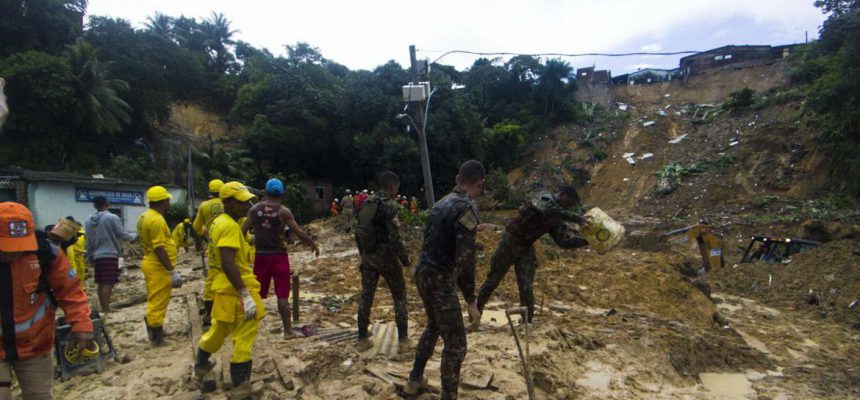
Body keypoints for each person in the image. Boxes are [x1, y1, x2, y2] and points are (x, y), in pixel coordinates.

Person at [406, 160, 485, 399]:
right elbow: (465, 260)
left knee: (433, 325)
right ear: (479, 183)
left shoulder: (440, 204)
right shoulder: (467, 208)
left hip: (424, 274)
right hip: (440, 279)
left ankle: (415, 379)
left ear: (457, 178)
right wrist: (471, 302)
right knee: (456, 344)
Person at [0, 202, 95, 400]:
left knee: (39, 396)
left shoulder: (46, 254)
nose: (13, 253)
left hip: (35, 345)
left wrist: (81, 323)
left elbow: (70, 290)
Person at [476, 186, 589, 323]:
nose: (568, 207)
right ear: (562, 195)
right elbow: (547, 209)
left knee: (526, 286)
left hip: (526, 247)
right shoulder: (544, 198)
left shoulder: (558, 218)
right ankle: (475, 313)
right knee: (493, 280)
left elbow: (563, 242)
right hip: (510, 242)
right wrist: (577, 218)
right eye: (569, 203)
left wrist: (587, 241)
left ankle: (527, 322)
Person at [195, 182, 264, 399]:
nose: (247, 206)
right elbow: (228, 262)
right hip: (236, 286)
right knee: (245, 332)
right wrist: (245, 295)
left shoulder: (218, 222)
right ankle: (241, 386)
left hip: (223, 287)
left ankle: (202, 362)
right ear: (227, 202)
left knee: (220, 328)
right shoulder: (230, 227)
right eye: (241, 202)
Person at [243, 179, 320, 339]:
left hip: (261, 256)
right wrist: (313, 244)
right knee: (282, 296)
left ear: (265, 191)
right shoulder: (284, 211)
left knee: (254, 293)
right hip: (279, 256)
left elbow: (242, 231)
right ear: (282, 193)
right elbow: (298, 232)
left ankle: (243, 329)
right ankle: (288, 331)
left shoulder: (255, 209)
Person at [354, 172, 411, 347]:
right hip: (386, 258)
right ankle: (403, 337)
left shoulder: (366, 202)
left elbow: (359, 231)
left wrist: (363, 253)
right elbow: (394, 239)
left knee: (367, 295)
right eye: (397, 188)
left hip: (368, 256)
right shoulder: (389, 206)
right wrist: (405, 260)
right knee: (399, 295)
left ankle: (362, 336)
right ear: (393, 186)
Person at [137, 186, 181, 346]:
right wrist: (171, 270)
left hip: (150, 262)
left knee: (155, 297)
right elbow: (159, 247)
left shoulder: (145, 216)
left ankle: (156, 327)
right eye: (168, 201)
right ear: (164, 201)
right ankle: (156, 334)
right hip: (157, 265)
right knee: (158, 300)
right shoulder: (155, 220)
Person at [85, 196, 137, 314]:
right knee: (109, 282)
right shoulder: (112, 217)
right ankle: (107, 309)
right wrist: (135, 237)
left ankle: (104, 307)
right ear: (107, 203)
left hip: (97, 255)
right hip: (109, 254)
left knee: (101, 283)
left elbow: (88, 239)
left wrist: (89, 255)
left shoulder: (89, 220)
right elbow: (121, 234)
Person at [193, 179, 225, 328]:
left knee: (212, 279)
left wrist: (206, 236)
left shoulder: (204, 206)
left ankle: (210, 314)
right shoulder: (229, 204)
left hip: (213, 246)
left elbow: (196, 226)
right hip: (230, 243)